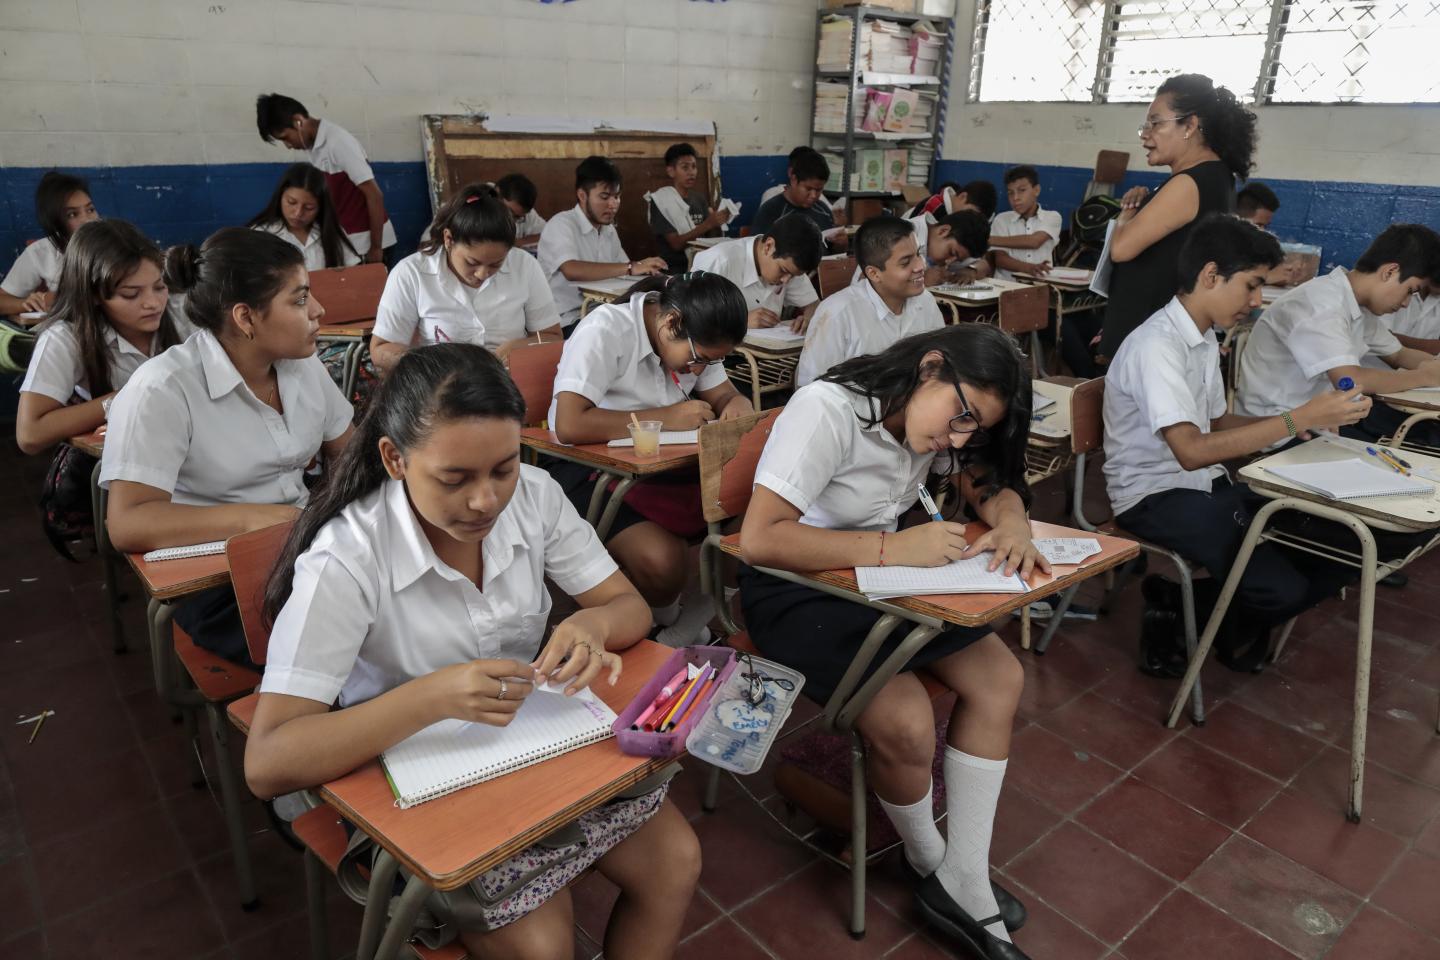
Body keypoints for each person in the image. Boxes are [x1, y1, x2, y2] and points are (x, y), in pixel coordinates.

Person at [245, 343, 699, 960]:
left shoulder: (533, 497)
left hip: (527, 751)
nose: (485, 500)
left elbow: (630, 608)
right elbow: (269, 760)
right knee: (540, 944)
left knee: (675, 860)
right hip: (410, 780)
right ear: (394, 459)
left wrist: (592, 624)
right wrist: (433, 697)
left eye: (503, 469)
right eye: (454, 479)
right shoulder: (347, 559)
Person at [739, 323, 1044, 960]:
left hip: (882, 579)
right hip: (797, 587)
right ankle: (936, 867)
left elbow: (982, 481)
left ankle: (959, 877)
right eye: (958, 418)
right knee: (904, 724)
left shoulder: (927, 416)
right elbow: (762, 538)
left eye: (971, 429)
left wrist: (1012, 518)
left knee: (1000, 677)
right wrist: (892, 547)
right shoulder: (828, 411)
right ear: (930, 366)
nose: (955, 439)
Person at [1103, 214, 1372, 675]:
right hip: (1152, 496)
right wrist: (1296, 416)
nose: (1256, 300)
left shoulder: (1204, 338)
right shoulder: (1157, 346)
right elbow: (1189, 448)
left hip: (1203, 483)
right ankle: (1178, 617)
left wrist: (1291, 428)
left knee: (1342, 549)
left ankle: (1194, 608)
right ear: (1210, 276)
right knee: (1281, 588)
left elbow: (1217, 422)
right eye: (1251, 285)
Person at [101, 228, 354, 664]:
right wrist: (264, 519)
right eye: (298, 300)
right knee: (345, 645)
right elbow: (127, 522)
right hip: (219, 576)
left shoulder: (303, 366)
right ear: (246, 318)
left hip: (301, 546)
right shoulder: (163, 389)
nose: (318, 310)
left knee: (398, 613)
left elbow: (349, 457)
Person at [547, 272, 752, 647]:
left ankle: (678, 629)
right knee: (662, 561)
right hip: (592, 466)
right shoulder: (606, 331)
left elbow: (722, 392)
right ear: (671, 323)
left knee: (754, 529)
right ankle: (669, 624)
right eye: (698, 360)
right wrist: (661, 418)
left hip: (670, 466)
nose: (698, 371)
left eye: (711, 362)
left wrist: (735, 402)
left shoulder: (696, 337)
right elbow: (569, 424)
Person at [1236, 224, 1440, 445]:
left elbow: (1399, 354)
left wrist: (1433, 368)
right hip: (1278, 429)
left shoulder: (1357, 305)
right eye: (1410, 290)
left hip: (1319, 420)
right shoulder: (1320, 304)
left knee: (1424, 433)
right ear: (1389, 272)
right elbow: (1350, 379)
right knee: (1406, 450)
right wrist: (1424, 377)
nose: (1406, 303)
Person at [1098, 74, 1255, 360]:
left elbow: (1121, 250)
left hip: (1152, 337)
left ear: (1190, 125)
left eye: (1156, 123)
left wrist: (1126, 216)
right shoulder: (1216, 177)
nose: (1146, 134)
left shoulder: (1188, 183)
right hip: (1167, 331)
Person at [16, 220, 194, 455]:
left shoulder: (182, 312)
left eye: (159, 287)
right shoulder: (65, 338)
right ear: (94, 295)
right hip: (122, 461)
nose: (153, 303)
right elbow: (30, 434)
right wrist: (126, 397)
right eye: (131, 294)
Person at [370, 184, 561, 373]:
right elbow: (381, 350)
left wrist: (518, 347)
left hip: (509, 380)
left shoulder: (524, 265)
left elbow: (552, 336)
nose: (482, 274)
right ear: (448, 239)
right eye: (472, 262)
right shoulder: (411, 273)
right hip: (439, 384)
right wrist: (435, 363)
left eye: (496, 264)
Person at [796, 216, 944, 388]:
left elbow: (940, 364)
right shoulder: (838, 313)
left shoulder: (925, 301)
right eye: (905, 262)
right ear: (874, 274)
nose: (920, 266)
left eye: (918, 254)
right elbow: (810, 389)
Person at [256, 93, 395, 264]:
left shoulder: (338, 143)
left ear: (298, 121)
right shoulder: (312, 145)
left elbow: (374, 195)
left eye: (286, 137)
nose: (289, 145)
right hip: (348, 241)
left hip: (367, 242)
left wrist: (376, 248)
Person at [537, 156, 666, 332]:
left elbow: (624, 272)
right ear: (582, 195)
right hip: (568, 320)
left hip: (602, 313)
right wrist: (631, 267)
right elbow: (571, 270)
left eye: (617, 197)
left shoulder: (608, 230)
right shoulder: (561, 224)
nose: (613, 204)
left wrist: (648, 275)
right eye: (605, 197)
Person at [691, 216, 823, 331]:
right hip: (723, 355)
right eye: (783, 271)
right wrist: (741, 322)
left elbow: (813, 305)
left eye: (794, 276)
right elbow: (691, 317)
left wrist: (808, 319)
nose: (786, 281)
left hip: (764, 351)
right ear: (769, 247)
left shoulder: (789, 266)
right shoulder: (720, 261)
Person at [0, 171, 100, 316]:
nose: (88, 220)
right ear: (55, 222)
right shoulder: (42, 252)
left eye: (90, 209)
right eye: (72, 214)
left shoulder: (116, 243)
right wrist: (30, 303)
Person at [246, 162, 361, 270]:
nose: (298, 213)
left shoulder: (332, 233)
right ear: (280, 197)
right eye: (291, 202)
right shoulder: (261, 234)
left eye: (309, 207)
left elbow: (353, 273)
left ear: (321, 207)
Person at [647, 142, 730, 273]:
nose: (691, 172)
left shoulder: (699, 199)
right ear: (671, 171)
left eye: (694, 167)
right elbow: (676, 244)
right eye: (685, 167)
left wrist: (719, 221)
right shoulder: (662, 201)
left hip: (701, 266)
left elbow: (709, 239)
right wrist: (709, 223)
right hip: (673, 269)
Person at [749, 150, 845, 251]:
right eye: (808, 189)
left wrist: (841, 245)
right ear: (794, 180)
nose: (813, 195)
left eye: (818, 190)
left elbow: (833, 250)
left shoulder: (823, 210)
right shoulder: (771, 211)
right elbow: (757, 251)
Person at [989, 166, 1063, 281]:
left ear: (1036, 190)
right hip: (1006, 286)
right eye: (1010, 193)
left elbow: (1034, 241)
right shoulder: (1001, 219)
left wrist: (988, 239)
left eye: (1022, 190)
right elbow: (1000, 260)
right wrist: (1029, 268)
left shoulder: (1052, 217)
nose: (1015, 198)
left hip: (1040, 286)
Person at [495, 173, 546, 247]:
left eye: (517, 217)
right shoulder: (477, 206)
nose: (511, 220)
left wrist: (514, 242)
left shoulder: (524, 213)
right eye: (509, 212)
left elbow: (546, 234)